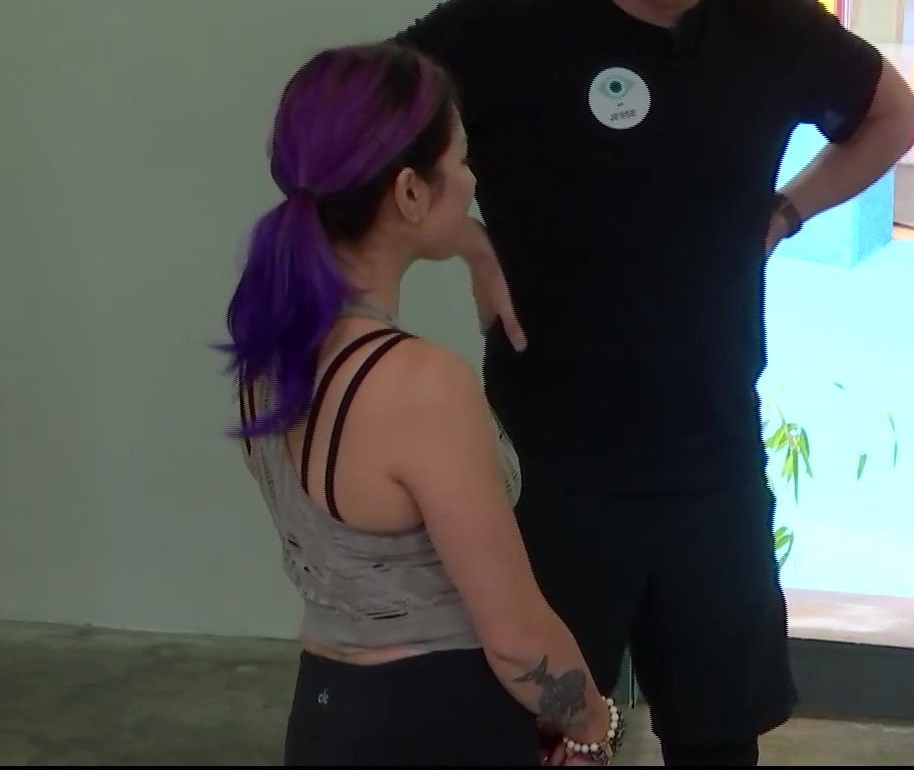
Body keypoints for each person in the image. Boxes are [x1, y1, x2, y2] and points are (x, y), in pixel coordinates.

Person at [393, 0, 914, 767]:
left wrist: (788, 210)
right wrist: (465, 238)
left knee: (719, 740)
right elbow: (357, 133)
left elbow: (893, 114)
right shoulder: (509, 27)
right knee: (543, 740)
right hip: (551, 471)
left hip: (711, 459)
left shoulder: (764, 21)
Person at [220, 43, 628, 766]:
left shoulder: (272, 353)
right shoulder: (418, 383)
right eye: (461, 159)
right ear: (410, 192)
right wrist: (594, 728)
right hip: (437, 720)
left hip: (326, 714)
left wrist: (475, 249)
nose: (471, 180)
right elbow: (516, 636)